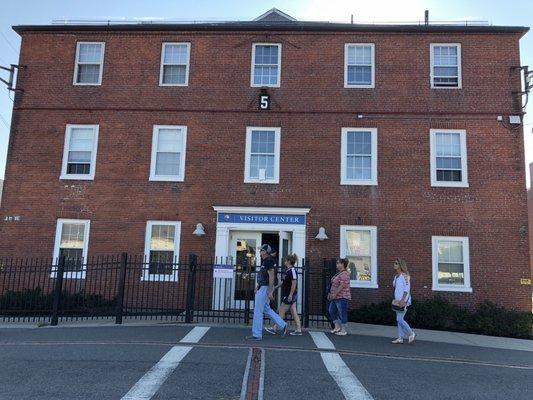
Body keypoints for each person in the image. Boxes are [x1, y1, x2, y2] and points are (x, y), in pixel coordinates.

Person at [245, 244, 288, 341]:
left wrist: (270, 291)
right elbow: (264, 277)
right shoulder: (266, 261)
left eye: (261, 250)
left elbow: (271, 276)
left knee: (258, 311)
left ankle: (257, 334)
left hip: (265, 289)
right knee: (266, 309)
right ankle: (283, 325)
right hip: (263, 287)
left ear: (265, 252)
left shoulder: (268, 261)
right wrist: (258, 286)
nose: (260, 252)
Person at [265, 254, 302, 336]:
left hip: (289, 294)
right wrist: (276, 287)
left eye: (285, 260)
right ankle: (299, 329)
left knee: (281, 310)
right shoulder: (288, 270)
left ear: (289, 261)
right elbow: (283, 282)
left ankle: (275, 328)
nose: (284, 262)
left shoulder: (292, 270)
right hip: (288, 294)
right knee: (293, 311)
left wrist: (290, 295)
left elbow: (294, 283)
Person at [391, 258, 416, 344]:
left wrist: (403, 300)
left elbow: (407, 289)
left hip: (403, 301)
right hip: (397, 301)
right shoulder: (396, 277)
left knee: (399, 319)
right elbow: (396, 287)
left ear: (400, 265)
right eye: (395, 263)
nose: (394, 264)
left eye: (396, 263)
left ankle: (411, 333)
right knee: (399, 319)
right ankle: (400, 338)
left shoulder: (405, 276)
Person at [328, 258, 351, 336]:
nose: (337, 265)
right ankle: (337, 327)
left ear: (343, 264)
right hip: (335, 297)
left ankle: (344, 330)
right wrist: (331, 293)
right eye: (337, 263)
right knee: (331, 311)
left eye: (338, 263)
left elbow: (342, 285)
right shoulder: (339, 273)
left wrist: (335, 293)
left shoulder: (345, 274)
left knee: (342, 313)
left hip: (342, 297)